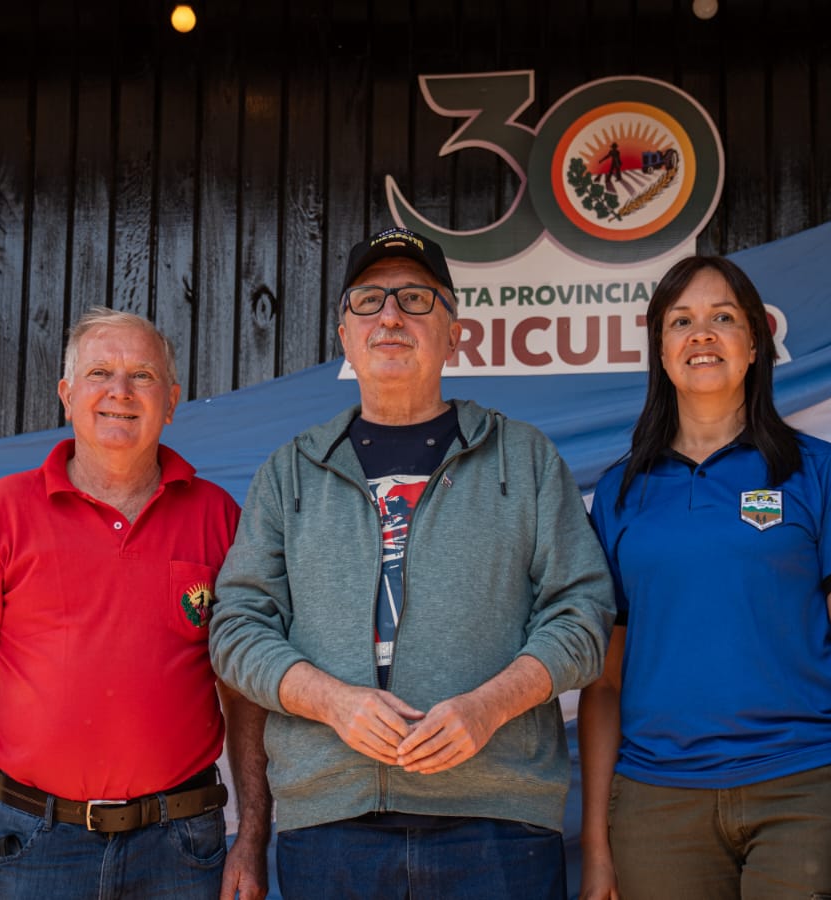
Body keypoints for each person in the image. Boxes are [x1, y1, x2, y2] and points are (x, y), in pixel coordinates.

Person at [209, 227, 615, 900]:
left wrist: (488, 707)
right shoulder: (291, 472)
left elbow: (583, 615)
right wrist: (332, 702)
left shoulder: (524, 458)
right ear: (345, 336)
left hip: (497, 825)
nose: (391, 316)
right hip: (331, 824)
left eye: (416, 298)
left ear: (455, 334)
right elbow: (236, 628)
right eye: (369, 300)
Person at [0, 308, 271, 900]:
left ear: (171, 401)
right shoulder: (3, 513)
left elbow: (245, 695)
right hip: (35, 845)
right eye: (99, 373)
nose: (120, 391)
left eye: (142, 376)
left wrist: (253, 836)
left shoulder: (218, 517)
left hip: (182, 849)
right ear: (67, 395)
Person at [578, 256, 831, 900]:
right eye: (681, 322)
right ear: (660, 352)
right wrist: (596, 850)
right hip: (657, 804)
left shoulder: (819, 471)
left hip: (803, 790)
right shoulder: (619, 494)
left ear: (755, 344)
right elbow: (604, 684)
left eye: (722, 317)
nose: (701, 333)